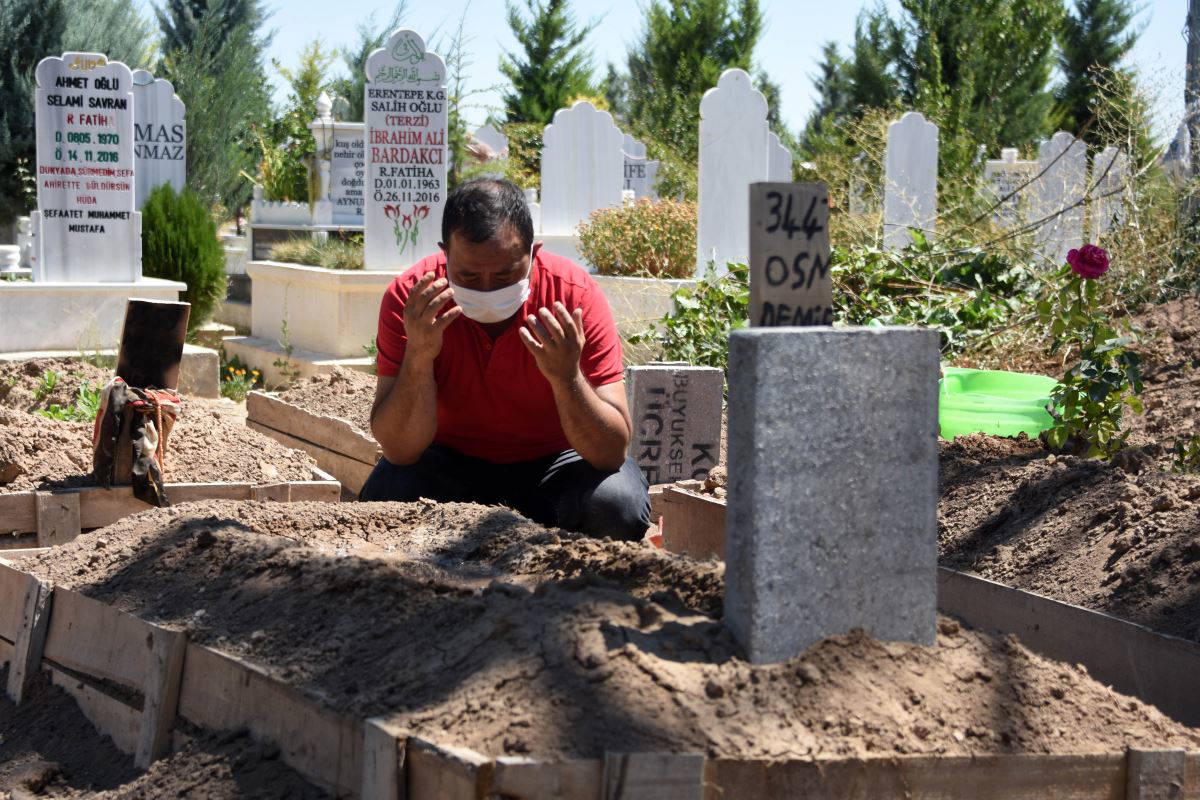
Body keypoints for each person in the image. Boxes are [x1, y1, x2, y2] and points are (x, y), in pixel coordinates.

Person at [359, 177, 651, 540]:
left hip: (557, 465)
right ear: (445, 254)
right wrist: (419, 355)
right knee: (385, 499)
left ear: (533, 253)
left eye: (505, 274)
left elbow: (610, 453)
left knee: (616, 505)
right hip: (450, 463)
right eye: (468, 275)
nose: (487, 289)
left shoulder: (573, 297)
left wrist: (567, 377)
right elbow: (400, 451)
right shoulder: (413, 299)